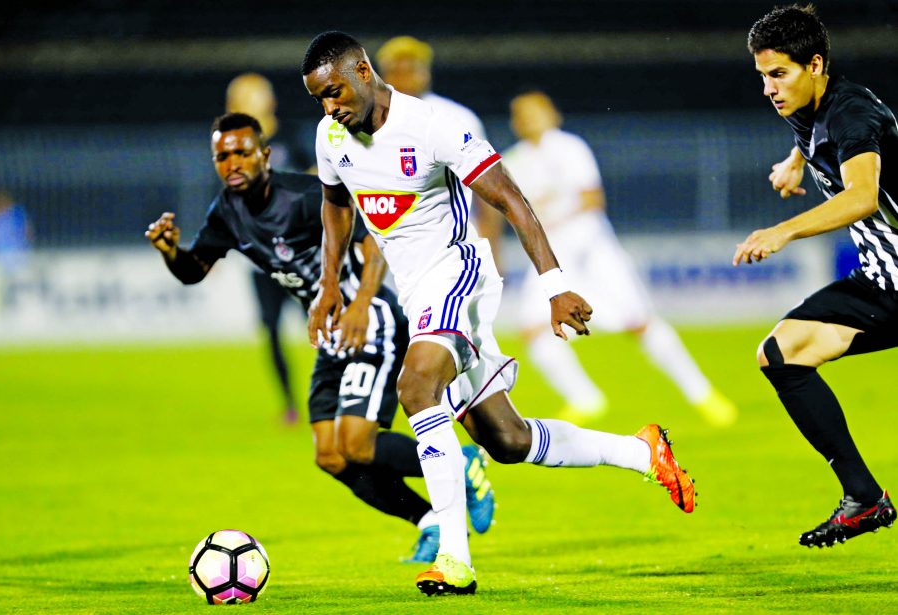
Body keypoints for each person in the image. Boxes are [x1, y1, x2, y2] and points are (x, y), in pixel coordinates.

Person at [302, 31, 697, 596]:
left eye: (335, 91)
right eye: (319, 98)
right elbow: (336, 206)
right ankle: (640, 451)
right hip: (420, 297)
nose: (329, 106)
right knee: (507, 441)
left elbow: (511, 199)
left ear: (363, 71)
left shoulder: (434, 126)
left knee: (416, 387)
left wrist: (555, 286)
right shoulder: (330, 135)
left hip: (460, 273)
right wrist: (328, 286)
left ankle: (454, 557)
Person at [145, 112, 494, 563]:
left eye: (241, 153)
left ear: (264, 156)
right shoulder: (226, 213)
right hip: (330, 335)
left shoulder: (303, 197)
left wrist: (362, 305)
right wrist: (172, 251)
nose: (232, 163)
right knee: (330, 455)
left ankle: (463, 463)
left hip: (371, 322)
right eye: (222, 156)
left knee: (356, 443)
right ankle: (428, 521)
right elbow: (195, 271)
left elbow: (372, 243)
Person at [734, 4, 897, 548]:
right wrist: (796, 162)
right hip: (885, 283)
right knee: (782, 353)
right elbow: (814, 135)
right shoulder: (807, 106)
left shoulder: (852, 113)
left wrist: (785, 231)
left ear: (816, 65)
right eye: (762, 76)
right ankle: (864, 499)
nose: (769, 90)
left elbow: (862, 195)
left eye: (778, 74)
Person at [502, 91, 738, 428]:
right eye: (521, 114)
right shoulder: (514, 160)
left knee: (638, 321)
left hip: (592, 248)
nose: (528, 119)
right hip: (550, 253)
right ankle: (585, 400)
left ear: (552, 114)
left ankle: (703, 394)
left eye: (534, 111)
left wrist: (551, 216)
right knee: (531, 328)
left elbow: (592, 200)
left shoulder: (570, 147)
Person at [374, 35, 505, 259]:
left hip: (453, 245)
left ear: (425, 73)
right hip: (389, 249)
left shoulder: (456, 117)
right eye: (395, 70)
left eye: (410, 69)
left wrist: (494, 248)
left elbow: (489, 189)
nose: (403, 78)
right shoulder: (365, 122)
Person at [226, 73, 299, 424]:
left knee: (327, 329)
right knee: (271, 329)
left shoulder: (289, 136)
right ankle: (289, 404)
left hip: (302, 255)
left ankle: (339, 394)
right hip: (261, 261)